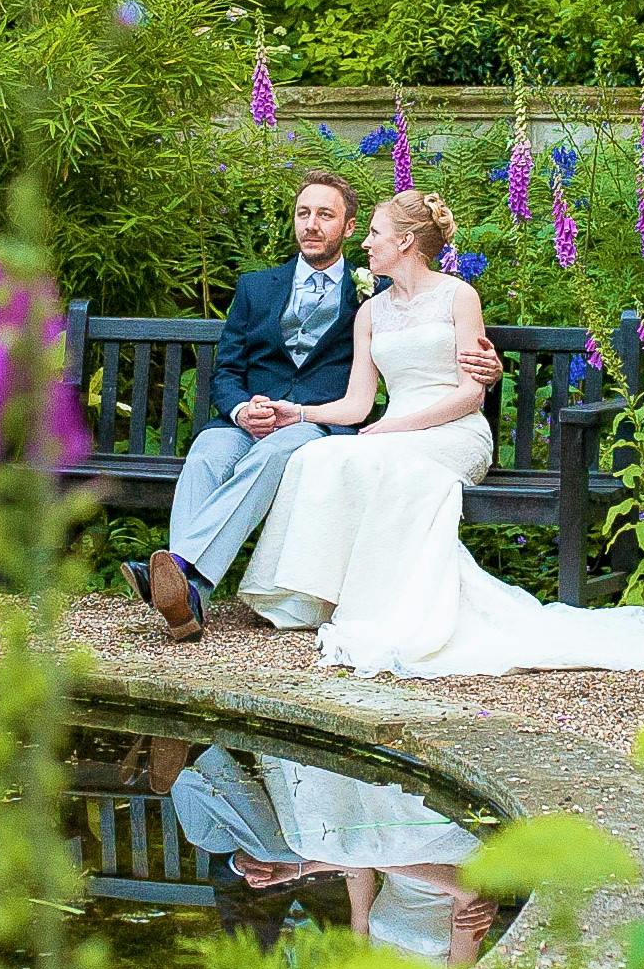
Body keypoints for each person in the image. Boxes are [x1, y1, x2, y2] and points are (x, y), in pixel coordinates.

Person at [238, 190, 644, 679]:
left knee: (378, 461)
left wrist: (392, 428)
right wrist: (295, 412)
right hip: (393, 434)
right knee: (316, 458)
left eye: (376, 234)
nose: (367, 245)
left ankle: (392, 610)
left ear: (404, 241)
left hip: (453, 432)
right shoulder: (370, 313)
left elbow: (471, 394)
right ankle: (311, 598)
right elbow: (358, 404)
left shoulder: (457, 297)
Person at [144, 172, 499, 642]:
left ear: (351, 228)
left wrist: (484, 369)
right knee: (209, 451)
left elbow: (463, 380)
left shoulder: (366, 295)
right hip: (263, 417)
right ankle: (185, 596)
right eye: (303, 213)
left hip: (406, 428)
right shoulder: (298, 294)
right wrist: (243, 410)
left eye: (326, 215)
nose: (311, 225)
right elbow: (232, 371)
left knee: (296, 455)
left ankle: (183, 572)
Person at [154, 739, 496, 966]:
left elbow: (358, 874)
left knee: (208, 838)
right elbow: (467, 889)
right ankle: (201, 756)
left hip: (386, 851)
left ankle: (185, 757)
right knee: (295, 845)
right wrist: (376, 862)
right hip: (444, 851)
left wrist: (299, 871)